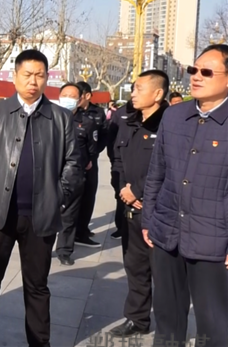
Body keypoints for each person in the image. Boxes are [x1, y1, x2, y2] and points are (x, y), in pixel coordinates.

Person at [0, 49, 83, 347]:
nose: (33, 81)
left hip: (40, 217)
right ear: (15, 76)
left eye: (40, 75)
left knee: (37, 286)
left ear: (47, 78)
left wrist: (58, 197)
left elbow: (73, 163)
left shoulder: (60, 117)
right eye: (27, 74)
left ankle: (39, 342)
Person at [143, 44, 228, 347]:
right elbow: (157, 172)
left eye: (206, 72)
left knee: (215, 325)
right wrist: (149, 220)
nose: (196, 76)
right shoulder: (174, 116)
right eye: (193, 70)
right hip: (167, 233)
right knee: (167, 319)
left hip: (212, 242)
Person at [110, 70, 169, 338]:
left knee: (164, 274)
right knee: (135, 267)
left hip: (159, 213)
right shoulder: (129, 122)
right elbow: (118, 160)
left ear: (157, 94)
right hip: (131, 209)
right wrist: (124, 190)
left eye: (139, 89)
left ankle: (169, 327)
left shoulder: (170, 124)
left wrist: (138, 191)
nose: (132, 94)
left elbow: (168, 167)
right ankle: (137, 319)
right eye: (133, 88)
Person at [55, 83, 97, 265]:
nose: (68, 99)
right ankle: (42, 247)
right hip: (50, 173)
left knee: (69, 215)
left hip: (74, 175)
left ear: (80, 100)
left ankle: (64, 251)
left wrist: (86, 162)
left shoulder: (87, 122)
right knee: (46, 212)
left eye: (72, 96)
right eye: (65, 95)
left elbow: (92, 148)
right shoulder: (48, 117)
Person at [74, 81, 107, 247]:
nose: (75, 99)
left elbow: (103, 136)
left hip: (91, 162)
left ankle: (83, 229)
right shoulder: (72, 112)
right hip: (74, 162)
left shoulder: (98, 112)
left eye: (78, 96)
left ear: (87, 95)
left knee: (89, 195)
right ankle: (73, 231)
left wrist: (92, 156)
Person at [107, 93, 137, 240]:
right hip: (120, 165)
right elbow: (111, 138)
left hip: (143, 170)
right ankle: (121, 227)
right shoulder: (121, 113)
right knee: (121, 196)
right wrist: (114, 160)